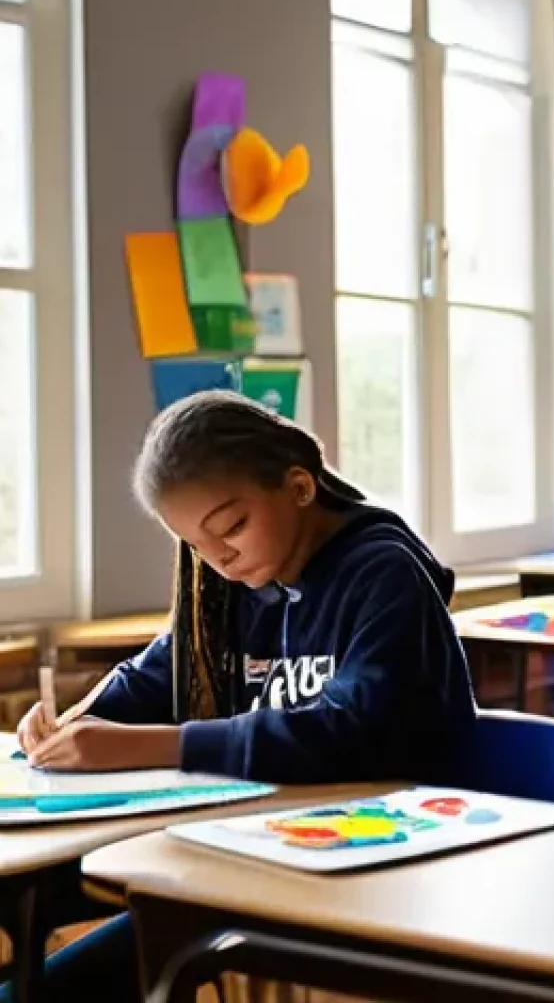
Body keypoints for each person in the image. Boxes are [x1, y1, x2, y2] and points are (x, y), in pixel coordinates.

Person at [6, 390, 478, 1002]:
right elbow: (157, 675)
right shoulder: (232, 588)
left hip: (390, 859)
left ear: (300, 487)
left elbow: (352, 732)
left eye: (231, 527)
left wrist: (149, 747)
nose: (218, 558)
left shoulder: (383, 574)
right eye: (195, 545)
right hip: (266, 850)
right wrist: (83, 721)